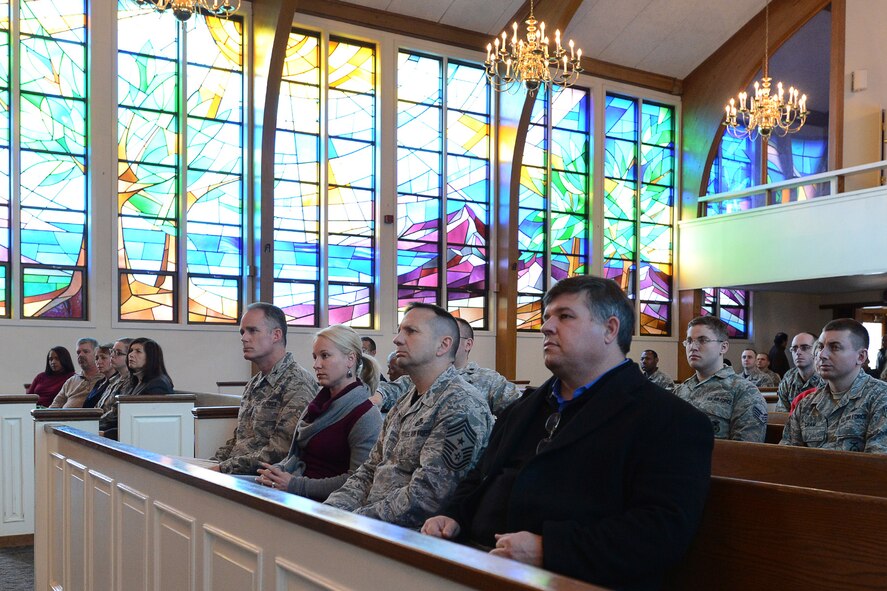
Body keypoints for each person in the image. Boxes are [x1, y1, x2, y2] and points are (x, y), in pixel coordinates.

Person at [421, 276, 713, 590]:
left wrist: (550, 549)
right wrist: (453, 516)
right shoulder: (524, 408)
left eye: (565, 316)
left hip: (570, 580)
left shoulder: (669, 419)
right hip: (477, 566)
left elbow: (661, 532)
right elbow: (480, 476)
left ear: (610, 329)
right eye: (547, 317)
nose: (546, 327)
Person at [324, 303, 493, 529]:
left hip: (410, 539)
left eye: (410, 331)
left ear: (443, 345)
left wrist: (355, 519)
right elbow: (368, 471)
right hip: (370, 526)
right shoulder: (405, 402)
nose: (397, 339)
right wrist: (330, 511)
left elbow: (428, 498)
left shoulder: (461, 404)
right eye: (400, 330)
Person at [254, 325, 384, 501]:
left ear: (350, 359)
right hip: (296, 489)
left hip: (326, 504)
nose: (316, 365)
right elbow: (297, 458)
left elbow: (358, 481)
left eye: (325, 356)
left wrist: (294, 485)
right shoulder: (317, 405)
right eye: (315, 357)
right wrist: (274, 474)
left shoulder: (365, 414)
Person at [209, 302, 318, 474]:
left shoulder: (298, 382)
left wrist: (222, 468)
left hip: (266, 480)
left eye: (252, 331)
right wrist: (211, 463)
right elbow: (240, 439)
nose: (244, 338)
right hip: (239, 473)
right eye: (242, 332)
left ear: (276, 335)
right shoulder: (254, 383)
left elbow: (281, 451)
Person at [375, 317, 520, 416]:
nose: (444, 342)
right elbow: (389, 390)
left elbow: (521, 409)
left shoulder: (488, 380)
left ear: (468, 344)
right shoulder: (423, 376)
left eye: (452, 337)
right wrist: (378, 396)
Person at [781, 319, 887, 453]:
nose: (822, 355)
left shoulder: (881, 398)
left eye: (835, 347)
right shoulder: (806, 404)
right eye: (820, 347)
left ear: (861, 357)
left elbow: (876, 466)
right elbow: (786, 456)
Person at [674, 316, 767, 442]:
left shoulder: (744, 392)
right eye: (689, 341)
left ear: (723, 347)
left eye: (702, 340)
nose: (693, 347)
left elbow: (745, 453)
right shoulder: (680, 390)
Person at [775, 332, 823, 412]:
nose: (798, 352)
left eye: (804, 348)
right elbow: (782, 414)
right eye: (794, 348)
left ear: (817, 350)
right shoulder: (788, 378)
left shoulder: (827, 377)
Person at [49, 338, 102, 408]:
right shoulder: (71, 381)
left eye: (85, 351)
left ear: (96, 354)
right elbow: (55, 405)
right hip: (63, 417)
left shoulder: (104, 379)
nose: (80, 355)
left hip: (88, 417)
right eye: (78, 352)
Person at [82, 344, 119, 408]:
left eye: (103, 358)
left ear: (113, 359)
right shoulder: (99, 382)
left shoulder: (116, 382)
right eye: (96, 358)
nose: (98, 362)